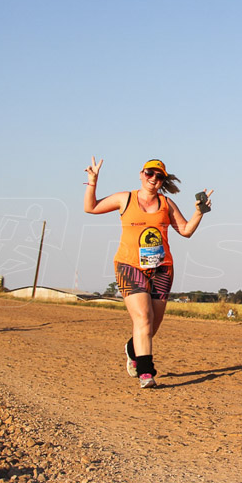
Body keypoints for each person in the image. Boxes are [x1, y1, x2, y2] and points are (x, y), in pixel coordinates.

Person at [84, 157, 212, 389]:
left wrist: (200, 212)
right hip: (129, 265)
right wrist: (93, 181)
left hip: (162, 268)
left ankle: (133, 348)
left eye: (159, 176)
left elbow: (185, 231)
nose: (153, 179)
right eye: (150, 173)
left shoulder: (167, 203)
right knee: (143, 318)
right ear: (141, 174)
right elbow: (90, 208)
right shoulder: (126, 198)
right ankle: (146, 372)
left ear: (163, 180)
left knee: (153, 324)